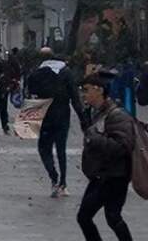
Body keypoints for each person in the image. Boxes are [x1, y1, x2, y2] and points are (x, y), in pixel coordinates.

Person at [76, 73, 136, 241]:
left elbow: (122, 146)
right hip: (104, 174)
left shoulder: (116, 115)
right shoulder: (98, 112)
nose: (83, 94)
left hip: (112, 176)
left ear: (99, 90)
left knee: (87, 216)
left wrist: (94, 138)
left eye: (86, 90)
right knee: (112, 217)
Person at [26, 46, 86, 198]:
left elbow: (29, 97)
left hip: (44, 117)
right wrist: (83, 119)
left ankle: (53, 177)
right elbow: (75, 98)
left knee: (44, 148)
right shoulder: (66, 72)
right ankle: (63, 183)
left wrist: (26, 122)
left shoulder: (35, 73)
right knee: (61, 149)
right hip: (62, 116)